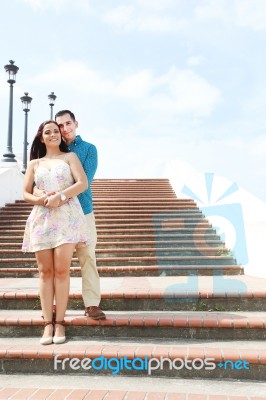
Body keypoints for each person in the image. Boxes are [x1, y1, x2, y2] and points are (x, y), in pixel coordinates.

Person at [22, 120, 90, 345]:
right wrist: (41, 198)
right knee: (45, 272)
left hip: (67, 217)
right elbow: (25, 193)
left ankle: (60, 323)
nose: (53, 134)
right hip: (42, 218)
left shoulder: (69, 157)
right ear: (41, 137)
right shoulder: (34, 163)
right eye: (47, 132)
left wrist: (59, 196)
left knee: (61, 271)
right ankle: (47, 324)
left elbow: (82, 183)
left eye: (55, 131)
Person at [54, 110, 106, 320]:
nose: (65, 129)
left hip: (83, 211)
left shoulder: (89, 149)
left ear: (76, 123)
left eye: (68, 123)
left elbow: (84, 182)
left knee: (88, 258)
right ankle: (56, 305)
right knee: (58, 263)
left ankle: (92, 304)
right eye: (60, 126)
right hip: (58, 214)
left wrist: (58, 194)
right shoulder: (53, 151)